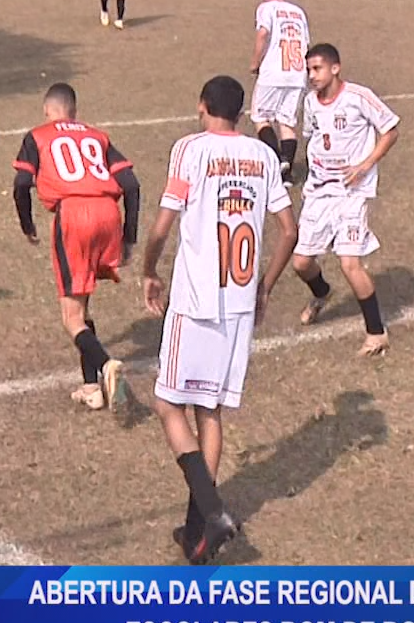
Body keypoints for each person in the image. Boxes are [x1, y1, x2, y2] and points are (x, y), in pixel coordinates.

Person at [141, 75, 298, 564]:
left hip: (196, 302)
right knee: (209, 411)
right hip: (238, 305)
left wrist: (148, 270)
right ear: (243, 112)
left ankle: (211, 509)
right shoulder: (265, 156)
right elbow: (288, 230)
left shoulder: (190, 149)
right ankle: (197, 535)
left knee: (168, 405)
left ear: (202, 105)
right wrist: (265, 288)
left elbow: (164, 224)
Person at [11, 82, 141, 409]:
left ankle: (106, 365)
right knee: (83, 305)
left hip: (73, 215)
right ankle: (91, 387)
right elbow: (132, 186)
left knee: (70, 316)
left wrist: (27, 225)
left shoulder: (38, 135)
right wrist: (129, 237)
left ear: (46, 110)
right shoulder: (97, 136)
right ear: (75, 111)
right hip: (108, 214)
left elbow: (21, 184)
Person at [292, 43, 399, 356]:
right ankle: (322, 293)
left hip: (352, 193)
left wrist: (365, 165)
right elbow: (313, 138)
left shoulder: (358, 97)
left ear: (335, 68)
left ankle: (376, 332)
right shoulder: (310, 103)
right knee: (301, 263)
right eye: (308, 70)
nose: (311, 76)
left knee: (350, 263)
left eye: (317, 69)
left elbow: (391, 130)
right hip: (318, 192)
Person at [249, 0, 310, 187]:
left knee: (260, 117)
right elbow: (305, 44)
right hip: (297, 73)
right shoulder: (298, 12)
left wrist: (255, 62)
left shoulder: (266, 8)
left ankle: (275, 163)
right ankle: (287, 172)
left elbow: (263, 34)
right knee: (287, 122)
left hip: (273, 72)